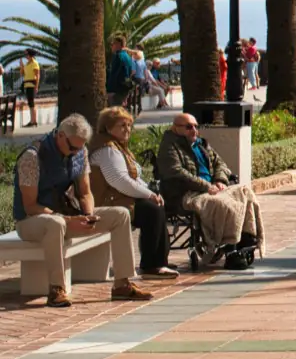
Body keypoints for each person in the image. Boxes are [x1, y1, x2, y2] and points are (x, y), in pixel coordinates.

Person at [12, 114, 152, 307]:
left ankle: (122, 284)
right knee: (56, 223)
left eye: (79, 148)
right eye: (72, 147)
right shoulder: (32, 157)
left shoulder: (80, 151)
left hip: (65, 217)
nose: (75, 152)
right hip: (31, 222)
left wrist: (88, 216)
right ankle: (56, 290)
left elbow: (85, 192)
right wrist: (67, 220)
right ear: (60, 135)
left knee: (120, 214)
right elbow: (30, 206)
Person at [157, 115, 264, 268]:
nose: (194, 130)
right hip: (187, 193)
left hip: (211, 188)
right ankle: (230, 247)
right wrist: (206, 186)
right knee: (221, 203)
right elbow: (177, 172)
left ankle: (246, 238)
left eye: (195, 126)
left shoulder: (201, 144)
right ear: (175, 128)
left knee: (245, 192)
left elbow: (221, 164)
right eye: (188, 127)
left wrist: (220, 180)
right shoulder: (170, 146)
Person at [88, 107, 178, 279]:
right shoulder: (107, 150)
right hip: (110, 202)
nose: (127, 129)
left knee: (155, 206)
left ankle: (159, 261)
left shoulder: (118, 148)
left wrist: (150, 192)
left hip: (121, 198)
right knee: (151, 210)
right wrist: (149, 195)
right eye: (122, 125)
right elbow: (119, 181)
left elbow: (134, 179)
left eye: (129, 125)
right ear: (108, 128)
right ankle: (153, 265)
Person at [106, 34, 135, 109]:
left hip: (116, 90)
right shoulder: (127, 56)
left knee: (115, 112)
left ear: (118, 44)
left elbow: (114, 74)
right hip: (123, 89)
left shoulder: (118, 56)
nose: (111, 46)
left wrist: (110, 90)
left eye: (113, 44)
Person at [19, 48, 40, 126]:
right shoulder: (27, 64)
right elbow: (22, 73)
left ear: (30, 55)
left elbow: (37, 75)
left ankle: (33, 121)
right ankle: (32, 121)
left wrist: (36, 86)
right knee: (30, 103)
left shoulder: (35, 63)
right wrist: (21, 65)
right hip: (27, 85)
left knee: (31, 103)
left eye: (26, 54)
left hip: (32, 85)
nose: (25, 56)